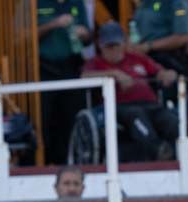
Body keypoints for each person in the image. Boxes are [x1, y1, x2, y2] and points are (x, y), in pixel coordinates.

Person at [82, 21, 179, 162]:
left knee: (171, 120)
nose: (113, 49)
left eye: (116, 45)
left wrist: (167, 74)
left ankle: (179, 157)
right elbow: (84, 77)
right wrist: (114, 74)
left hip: (150, 104)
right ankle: (157, 150)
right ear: (100, 46)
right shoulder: (95, 63)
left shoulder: (137, 58)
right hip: (120, 107)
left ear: (124, 44)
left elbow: (159, 71)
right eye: (108, 46)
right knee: (136, 115)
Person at [38, 0, 91, 165]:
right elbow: (22, 36)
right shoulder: (33, 3)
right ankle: (44, 163)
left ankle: (73, 162)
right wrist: (53, 24)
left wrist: (84, 34)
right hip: (42, 68)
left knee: (72, 118)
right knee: (44, 120)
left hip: (71, 66)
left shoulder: (77, 3)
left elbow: (89, 39)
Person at [131, 0, 188, 74]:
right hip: (142, 58)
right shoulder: (145, 3)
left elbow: (183, 36)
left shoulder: (177, 3)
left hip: (167, 60)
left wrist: (149, 46)